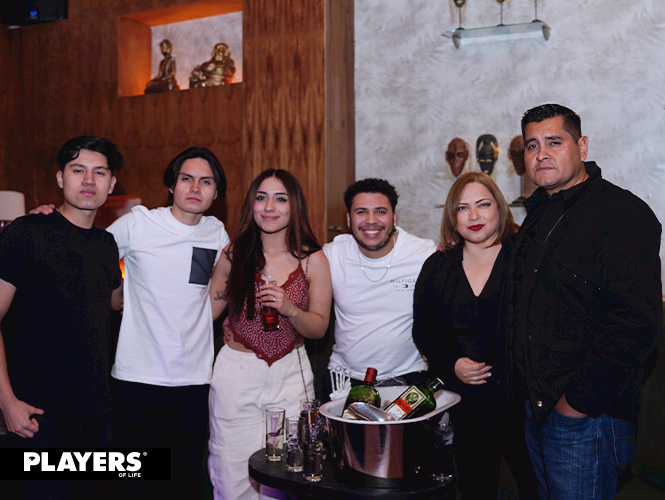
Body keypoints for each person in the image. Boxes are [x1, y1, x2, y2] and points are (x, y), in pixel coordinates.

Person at [29, 146, 230, 498]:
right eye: (187, 179)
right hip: (136, 380)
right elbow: (87, 246)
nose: (195, 188)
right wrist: (49, 221)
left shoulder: (217, 233)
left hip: (194, 382)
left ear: (216, 193)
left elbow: (212, 293)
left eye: (206, 181)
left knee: (183, 482)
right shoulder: (139, 223)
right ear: (172, 185)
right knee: (134, 483)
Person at [507, 103, 662, 499]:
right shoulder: (538, 214)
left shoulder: (622, 213)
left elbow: (638, 325)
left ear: (582, 146)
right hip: (537, 410)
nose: (541, 154)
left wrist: (574, 405)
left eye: (554, 142)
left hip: (586, 417)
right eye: (532, 145)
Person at [0, 136, 124, 499]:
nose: (89, 180)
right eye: (78, 169)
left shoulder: (106, 245)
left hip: (97, 416)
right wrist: (7, 403)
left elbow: (115, 304)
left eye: (100, 172)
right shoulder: (26, 232)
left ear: (111, 184)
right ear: (60, 178)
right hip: (38, 417)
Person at [207, 169, 332, 500]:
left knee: (288, 474)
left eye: (280, 199)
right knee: (231, 472)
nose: (269, 207)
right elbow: (204, 313)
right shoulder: (233, 254)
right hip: (237, 374)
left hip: (291, 373)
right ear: (251, 204)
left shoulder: (313, 259)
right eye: (261, 198)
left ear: (294, 206)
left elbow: (319, 327)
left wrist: (290, 309)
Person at [412, 172, 537, 499]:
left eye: (483, 205)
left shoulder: (527, 258)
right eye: (463, 208)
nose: (474, 216)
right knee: (474, 490)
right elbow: (422, 330)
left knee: (535, 489)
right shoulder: (437, 266)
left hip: (522, 405)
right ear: (452, 217)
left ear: (500, 208)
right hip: (463, 406)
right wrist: (452, 364)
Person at [322, 178, 436, 396]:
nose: (371, 221)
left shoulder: (424, 254)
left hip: (406, 377)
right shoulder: (333, 254)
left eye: (380, 211)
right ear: (349, 219)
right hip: (343, 380)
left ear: (394, 218)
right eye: (361, 212)